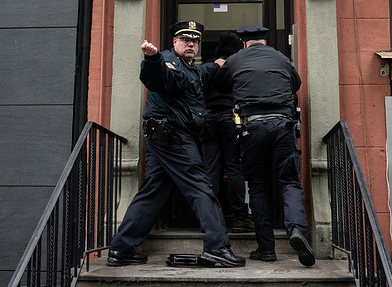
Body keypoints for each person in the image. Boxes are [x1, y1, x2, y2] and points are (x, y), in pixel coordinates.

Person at [107, 20, 246, 268]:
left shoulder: (190, 66)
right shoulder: (167, 62)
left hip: (162, 138)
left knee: (153, 192)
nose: (191, 43)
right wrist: (151, 60)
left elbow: (200, 74)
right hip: (173, 136)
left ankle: (120, 248)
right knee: (201, 186)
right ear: (174, 42)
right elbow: (159, 77)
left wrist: (217, 64)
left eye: (195, 40)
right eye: (185, 39)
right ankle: (217, 246)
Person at [215, 25, 315, 267]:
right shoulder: (281, 57)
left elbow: (220, 85)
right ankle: (296, 230)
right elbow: (296, 84)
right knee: (289, 180)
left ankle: (267, 249)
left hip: (252, 127)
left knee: (258, 187)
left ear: (244, 43)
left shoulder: (236, 59)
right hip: (283, 125)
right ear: (264, 41)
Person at [201, 31, 254, 233]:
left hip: (208, 117)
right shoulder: (237, 66)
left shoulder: (209, 65)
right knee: (234, 168)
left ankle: (211, 218)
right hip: (231, 117)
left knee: (210, 170)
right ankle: (240, 216)